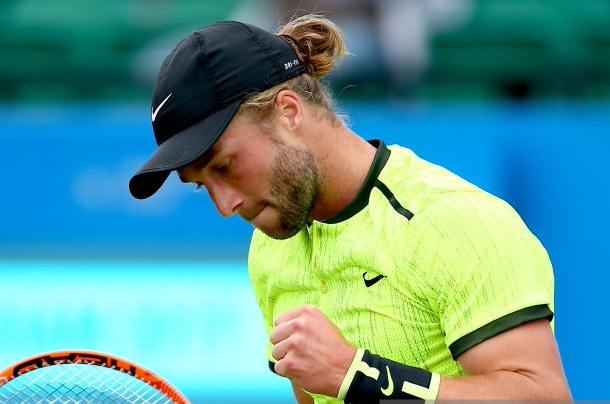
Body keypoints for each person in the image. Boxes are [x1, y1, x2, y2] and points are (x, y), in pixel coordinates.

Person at [128, 14, 572, 404]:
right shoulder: (270, 249)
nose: (225, 206)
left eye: (225, 165)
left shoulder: (454, 220)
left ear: (288, 111)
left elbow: (544, 397)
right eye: (201, 186)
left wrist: (356, 376)